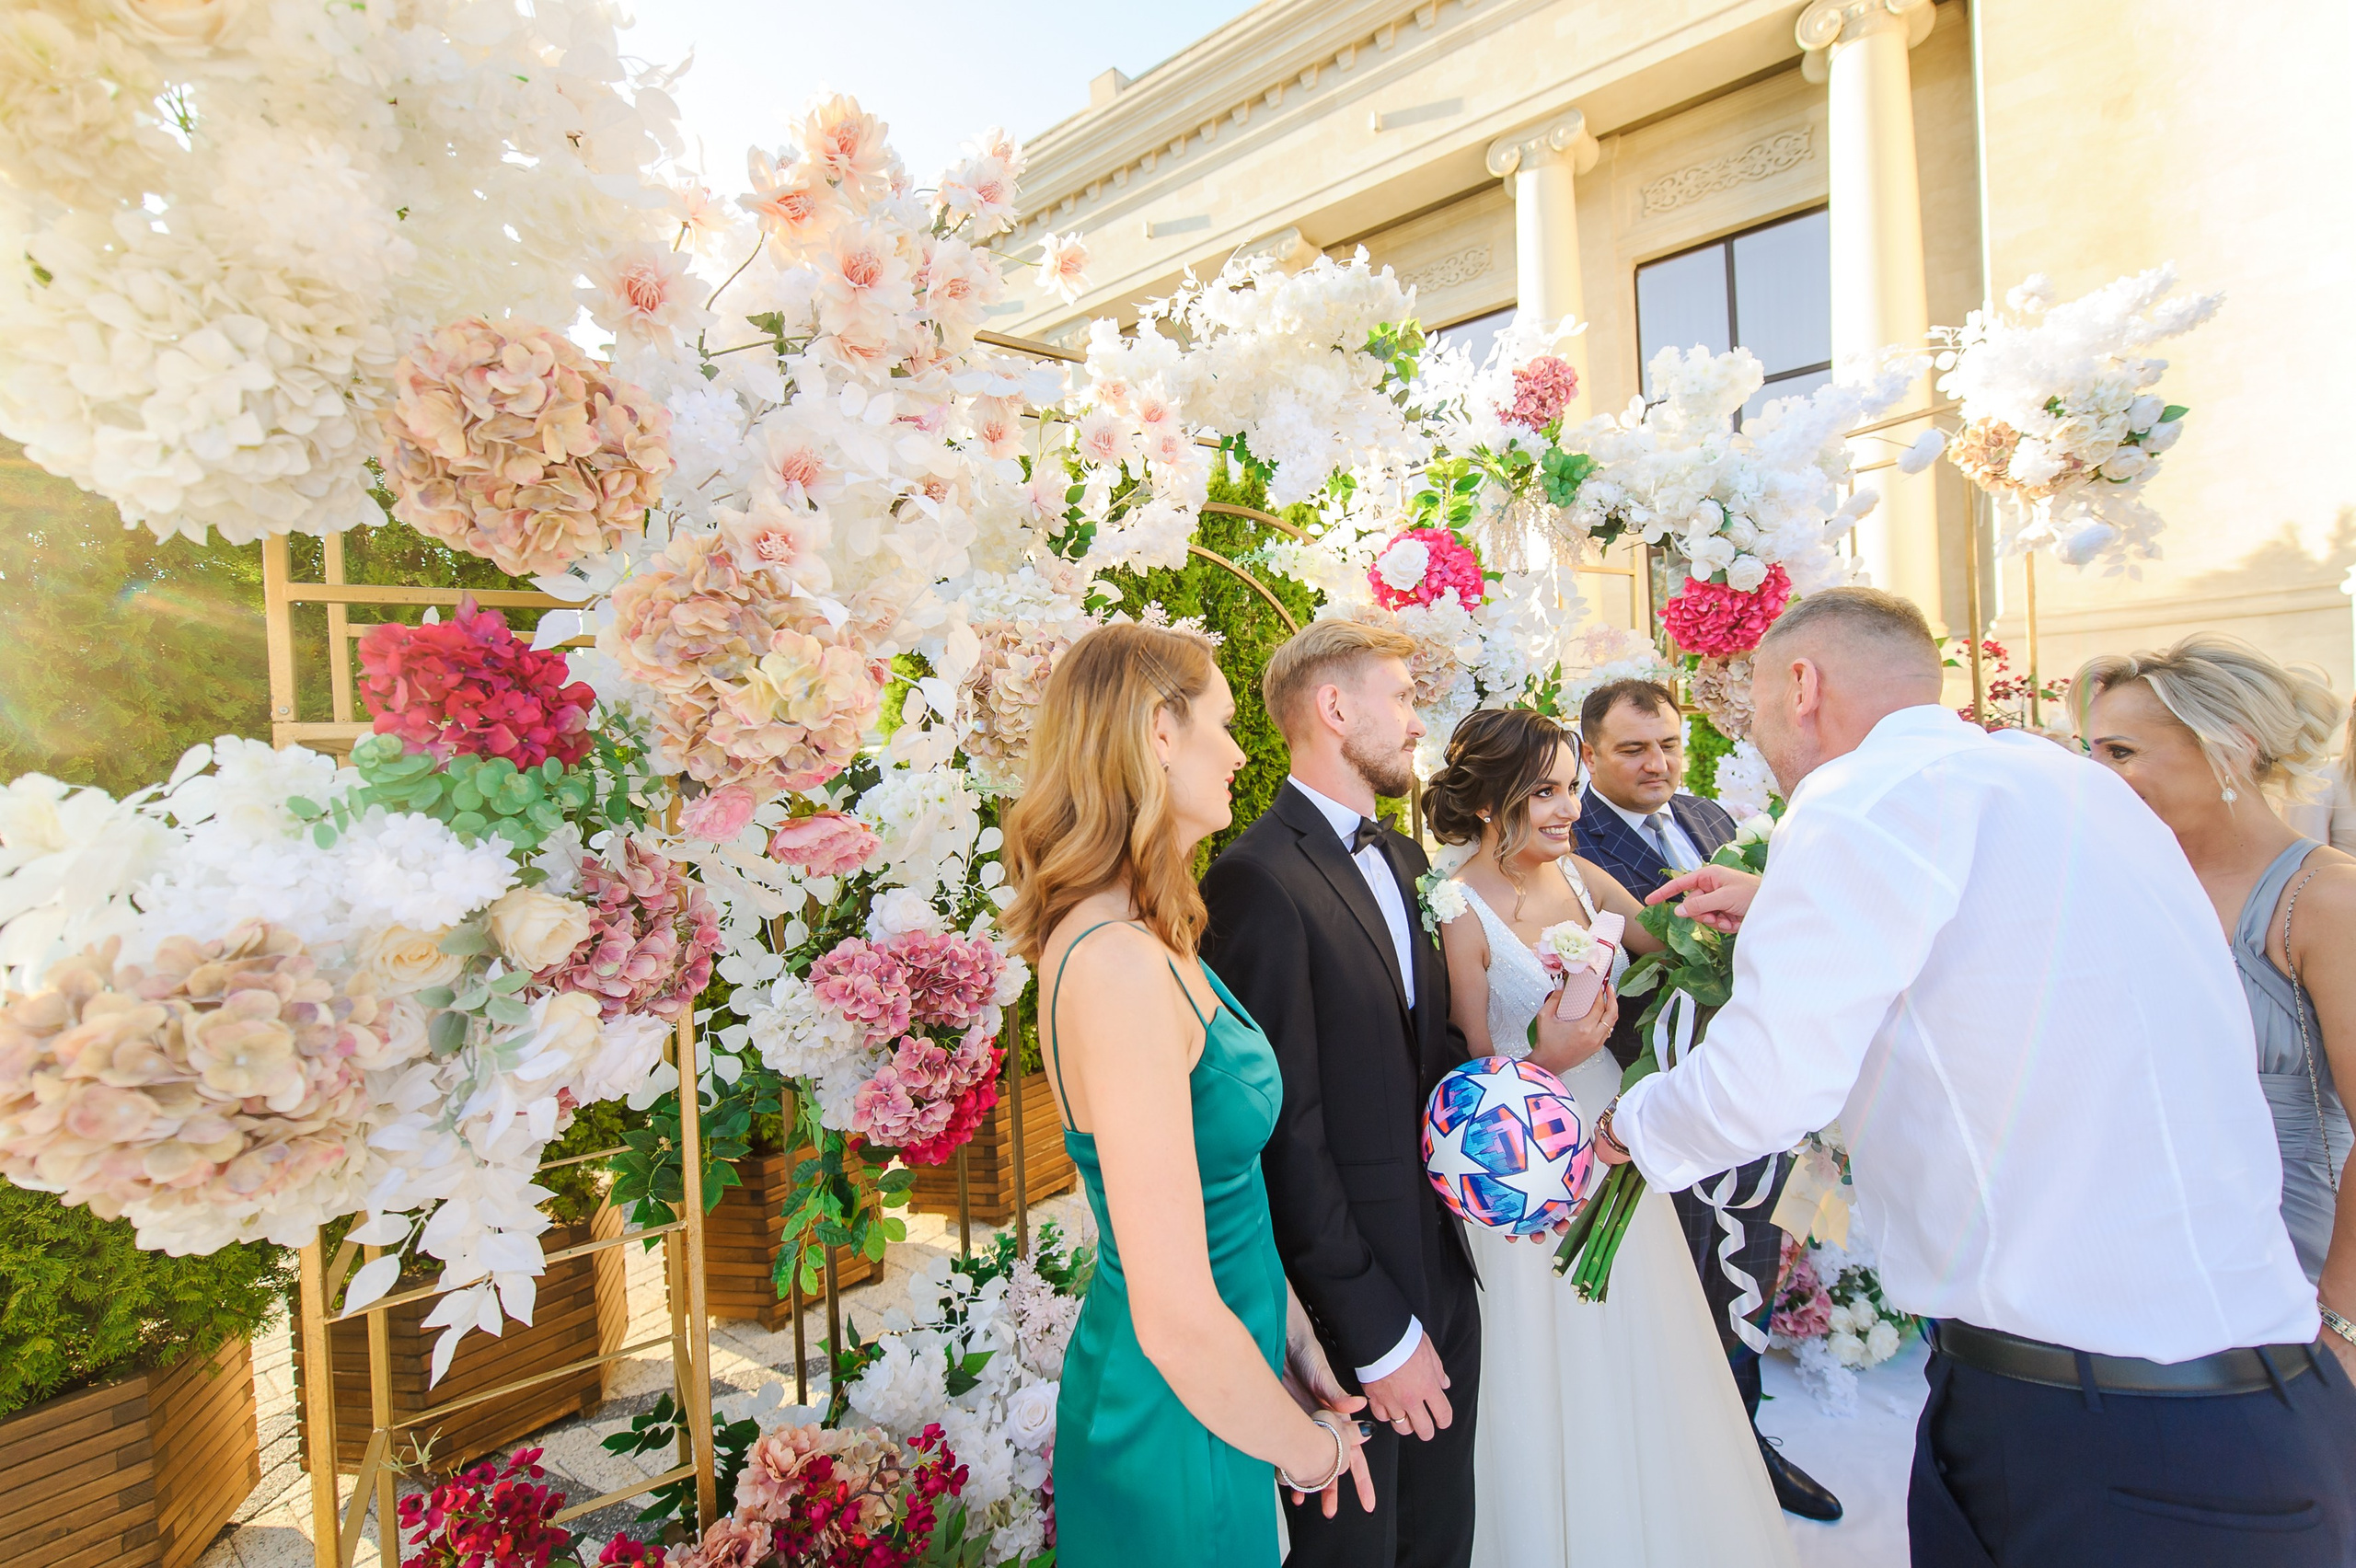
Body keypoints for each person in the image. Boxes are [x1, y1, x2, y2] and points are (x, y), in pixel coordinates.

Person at [1591, 587, 2356, 1568]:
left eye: (1753, 706)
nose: (1760, 741)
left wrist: (1631, 1129)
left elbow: (1768, 1081)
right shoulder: (2067, 785)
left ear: (1801, 684)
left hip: (2107, 1428)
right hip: (2235, 1398)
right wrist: (1783, 901)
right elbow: (2017, 962)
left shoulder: (1862, 792)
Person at [1001, 624, 1375, 1568]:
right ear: (1158, 734)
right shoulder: (1116, 967)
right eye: (1221, 720)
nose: (1243, 749)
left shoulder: (1150, 932)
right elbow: (1172, 1314)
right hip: (1174, 1419)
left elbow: (1221, 1201)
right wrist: (1313, 1453)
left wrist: (1292, 1341)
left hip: (1228, 1388)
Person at [1427, 705, 1799, 1568]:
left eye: (1569, 788)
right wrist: (1549, 1058)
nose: (1567, 808)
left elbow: (1677, 943)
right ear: (1491, 802)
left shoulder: (1587, 879)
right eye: (1545, 791)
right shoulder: (1454, 905)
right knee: (1545, 1352)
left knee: (1641, 1333)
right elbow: (1475, 1078)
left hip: (1615, 1133)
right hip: (1524, 1160)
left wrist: (1739, 920)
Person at [1199, 619, 1480, 1568]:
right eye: (1400, 698)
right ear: (1334, 708)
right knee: (1358, 1553)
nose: (1414, 722)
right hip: (1345, 1315)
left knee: (1440, 1540)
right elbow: (1279, 1135)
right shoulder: (1253, 882)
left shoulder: (1405, 864)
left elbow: (1425, 1058)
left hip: (1441, 1273)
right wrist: (1371, 1330)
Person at [1572, 677, 1841, 1523]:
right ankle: (1705, 1461)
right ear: (1588, 756)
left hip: (1757, 1094)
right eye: (1633, 749)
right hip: (1654, 1098)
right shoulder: (1568, 836)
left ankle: (1745, 1441)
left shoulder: (1714, 823)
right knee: (1690, 1291)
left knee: (1755, 1271)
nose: (1659, 764)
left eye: (1669, 746)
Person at [2074, 636, 2355, 1318]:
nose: (2094, 776)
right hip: (2147, 1276)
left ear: (2229, 747)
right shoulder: (2122, 888)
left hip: (2291, 1268)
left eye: (2121, 752)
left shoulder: (2328, 901)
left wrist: (2343, 1324)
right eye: (2091, 755)